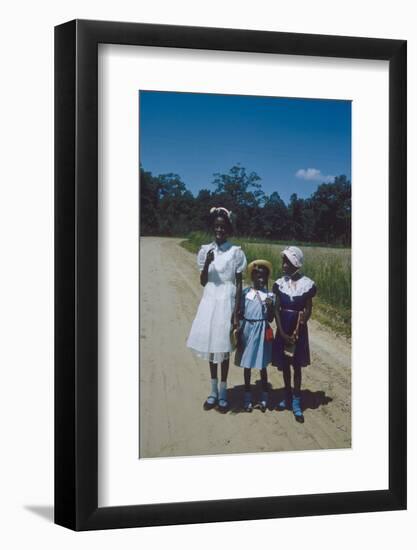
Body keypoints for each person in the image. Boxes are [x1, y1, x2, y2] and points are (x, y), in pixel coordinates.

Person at [187, 207, 247, 413]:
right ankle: (212, 391)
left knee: (223, 347)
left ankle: (223, 391)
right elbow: (203, 281)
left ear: (228, 229)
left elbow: (239, 283)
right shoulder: (206, 250)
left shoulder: (236, 252)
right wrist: (207, 264)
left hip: (226, 302)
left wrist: (237, 310)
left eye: (223, 226)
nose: (219, 229)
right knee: (212, 347)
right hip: (210, 301)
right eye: (217, 226)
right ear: (213, 228)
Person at [272, 246, 317, 423]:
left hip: (298, 330)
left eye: (287, 262)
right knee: (285, 364)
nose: (283, 265)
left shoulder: (307, 284)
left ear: (295, 263)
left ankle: (297, 401)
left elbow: (308, 309)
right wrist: (282, 333)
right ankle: (287, 396)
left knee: (296, 366)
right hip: (283, 326)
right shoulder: (279, 284)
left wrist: (300, 324)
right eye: (283, 261)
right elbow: (276, 309)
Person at [234, 260, 275, 412]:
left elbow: (270, 318)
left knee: (262, 365)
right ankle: (247, 397)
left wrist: (270, 306)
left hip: (262, 330)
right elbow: (239, 311)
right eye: (258, 276)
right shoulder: (246, 293)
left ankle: (264, 398)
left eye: (264, 277)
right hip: (248, 330)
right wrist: (237, 327)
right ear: (252, 277)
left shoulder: (269, 295)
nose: (261, 279)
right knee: (248, 364)